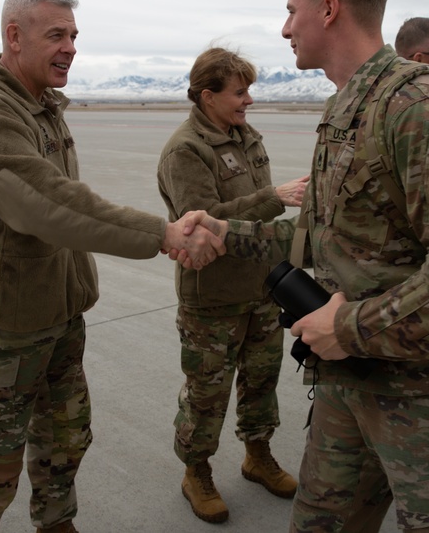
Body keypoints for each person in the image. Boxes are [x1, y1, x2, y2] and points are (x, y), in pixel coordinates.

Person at [187, 0, 429, 533]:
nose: (285, 26)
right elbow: (323, 239)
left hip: (427, 401)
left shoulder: (423, 108)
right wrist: (227, 231)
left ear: (330, 9)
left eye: (293, 10)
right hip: (350, 388)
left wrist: (347, 328)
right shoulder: (348, 107)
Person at [0, 0, 223, 533]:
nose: (70, 47)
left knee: (64, 443)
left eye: (73, 35)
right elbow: (45, 205)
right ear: (14, 37)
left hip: (60, 322)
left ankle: (57, 524)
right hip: (0, 334)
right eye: (56, 35)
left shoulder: (41, 107)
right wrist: (162, 233)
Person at [156, 47, 309, 523]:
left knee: (262, 382)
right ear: (209, 97)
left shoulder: (245, 136)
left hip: (264, 287)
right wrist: (274, 197)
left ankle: (257, 455)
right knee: (207, 393)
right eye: (240, 92)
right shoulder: (187, 150)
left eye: (249, 90)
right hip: (214, 298)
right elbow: (200, 226)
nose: (249, 100)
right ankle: (196, 472)